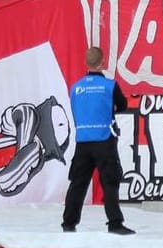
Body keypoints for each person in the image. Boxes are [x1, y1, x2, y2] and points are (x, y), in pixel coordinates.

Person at [62, 46, 134, 235]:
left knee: (78, 183)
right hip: (104, 141)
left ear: (85, 63)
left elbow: (77, 110)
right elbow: (123, 105)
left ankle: (68, 223)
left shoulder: (76, 88)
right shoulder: (109, 86)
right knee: (110, 183)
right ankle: (115, 223)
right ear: (103, 63)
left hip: (83, 142)